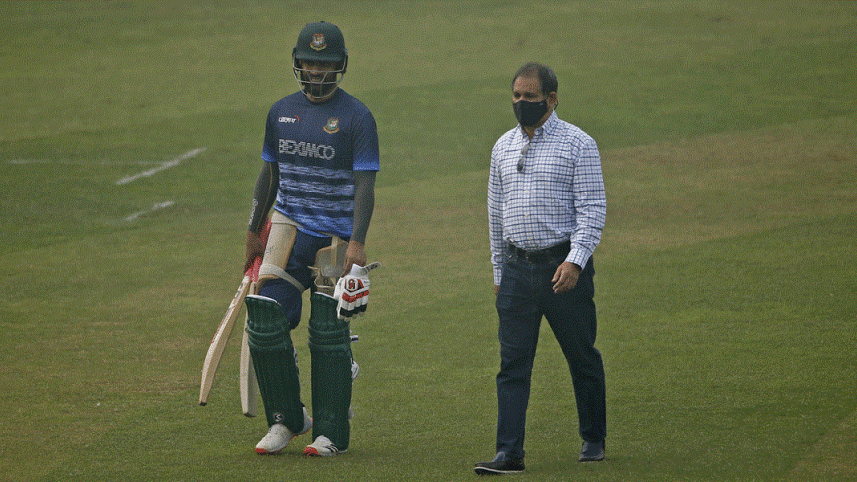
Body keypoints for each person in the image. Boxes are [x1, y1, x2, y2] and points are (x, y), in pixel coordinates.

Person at [242, 20, 380, 457]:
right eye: (308, 62)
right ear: (297, 62)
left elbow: (364, 185)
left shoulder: (357, 118)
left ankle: (332, 432)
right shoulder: (280, 112)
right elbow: (270, 173)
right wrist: (252, 229)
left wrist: (357, 242)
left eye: (323, 64)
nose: (315, 71)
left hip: (335, 237)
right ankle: (287, 419)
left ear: (339, 65)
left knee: (328, 329)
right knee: (266, 319)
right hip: (290, 228)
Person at [475, 62, 607, 475]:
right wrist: (499, 274)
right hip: (516, 271)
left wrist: (575, 260)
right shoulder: (502, 147)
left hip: (562, 269)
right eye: (516, 96)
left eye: (529, 97)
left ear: (551, 99)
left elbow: (592, 209)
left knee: (581, 355)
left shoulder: (578, 144)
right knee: (512, 365)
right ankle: (508, 452)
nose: (520, 103)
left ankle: (593, 438)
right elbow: (496, 216)